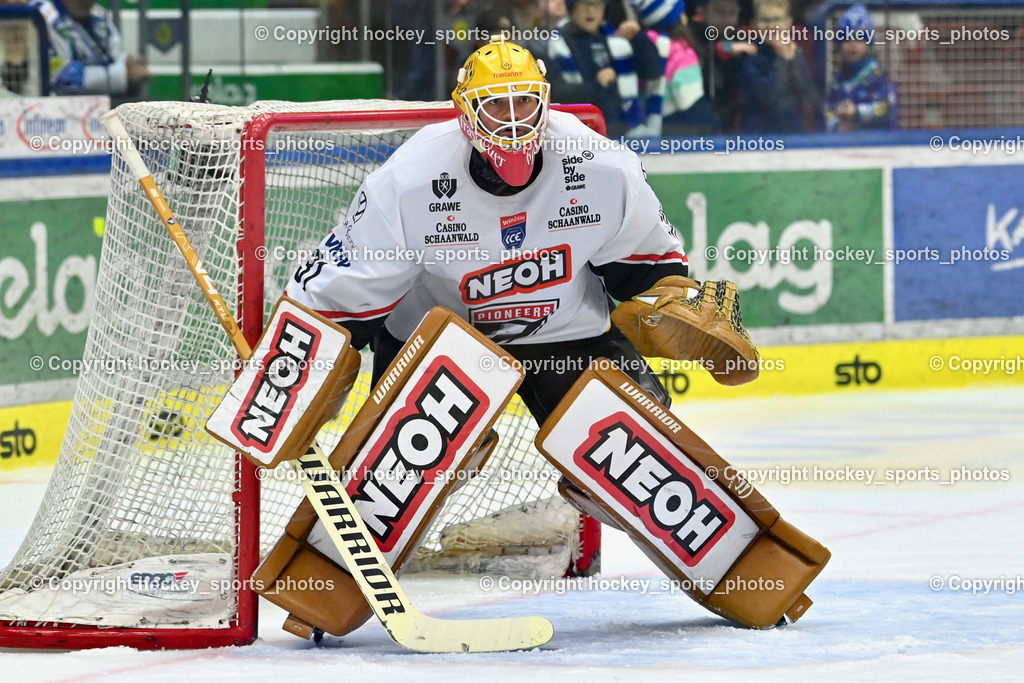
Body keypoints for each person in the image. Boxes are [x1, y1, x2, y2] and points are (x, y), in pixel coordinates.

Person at [287, 35, 687, 423]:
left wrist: (670, 303)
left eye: (525, 102)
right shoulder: (409, 180)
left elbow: (648, 269)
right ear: (466, 113)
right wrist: (293, 379)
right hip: (440, 345)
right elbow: (343, 293)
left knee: (639, 450)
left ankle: (593, 491)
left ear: (545, 102)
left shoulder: (602, 165)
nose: (514, 121)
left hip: (568, 336)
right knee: (401, 477)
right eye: (497, 105)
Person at [546, 0, 665, 137]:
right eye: (584, 4)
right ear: (572, 7)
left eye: (597, 5)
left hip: (627, 129)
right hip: (581, 134)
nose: (590, 10)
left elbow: (653, 72)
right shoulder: (558, 44)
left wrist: (639, 38)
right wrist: (597, 85)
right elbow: (556, 93)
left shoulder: (617, 38)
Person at [32, 0, 149, 96]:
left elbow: (118, 57)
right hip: (56, 113)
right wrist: (122, 75)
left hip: (101, 108)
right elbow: (61, 79)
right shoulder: (41, 14)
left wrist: (129, 66)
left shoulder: (98, 13)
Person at [736, 0, 819, 133]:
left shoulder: (795, 54)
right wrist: (783, 61)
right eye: (765, 20)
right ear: (755, 24)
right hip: (759, 137)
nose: (771, 26)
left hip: (793, 134)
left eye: (777, 19)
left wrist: (794, 61)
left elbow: (807, 96)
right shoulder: (751, 57)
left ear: (788, 23)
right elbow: (768, 99)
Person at [824, 4, 897, 132]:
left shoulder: (877, 76)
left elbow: (887, 107)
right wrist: (836, 126)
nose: (852, 45)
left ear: (868, 44)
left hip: (876, 142)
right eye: (846, 40)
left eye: (859, 39)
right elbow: (828, 108)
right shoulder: (839, 79)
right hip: (844, 142)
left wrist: (856, 112)